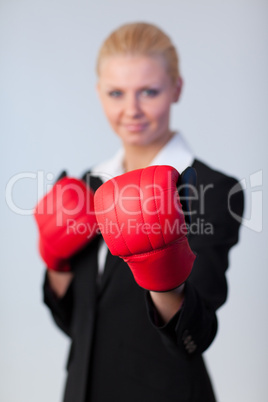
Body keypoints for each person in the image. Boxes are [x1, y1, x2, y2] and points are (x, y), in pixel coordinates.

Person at [34, 22, 244, 402]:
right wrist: (55, 263)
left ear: (176, 88)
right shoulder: (88, 186)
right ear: (99, 94)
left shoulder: (212, 189)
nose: (131, 110)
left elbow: (198, 334)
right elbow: (77, 324)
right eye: (116, 93)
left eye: (149, 91)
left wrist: (164, 274)